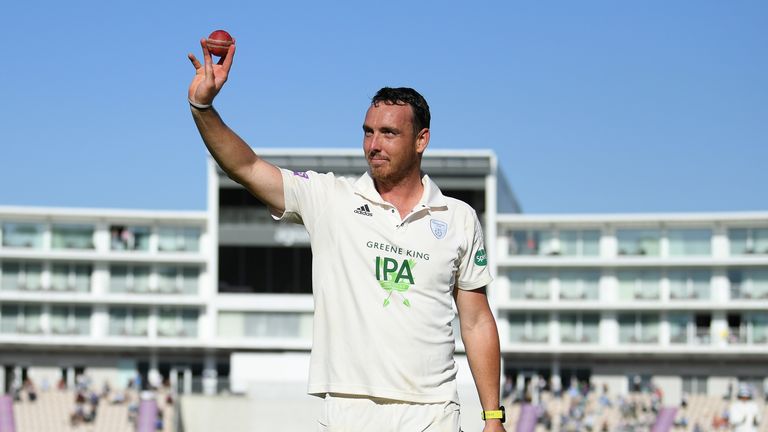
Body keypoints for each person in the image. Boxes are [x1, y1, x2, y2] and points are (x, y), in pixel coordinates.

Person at [187, 37, 506, 432]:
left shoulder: (459, 218)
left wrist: (493, 416)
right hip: (348, 408)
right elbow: (246, 167)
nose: (374, 145)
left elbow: (476, 321)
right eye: (368, 132)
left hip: (433, 410)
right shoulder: (330, 198)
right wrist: (203, 107)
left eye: (389, 133)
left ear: (421, 140)